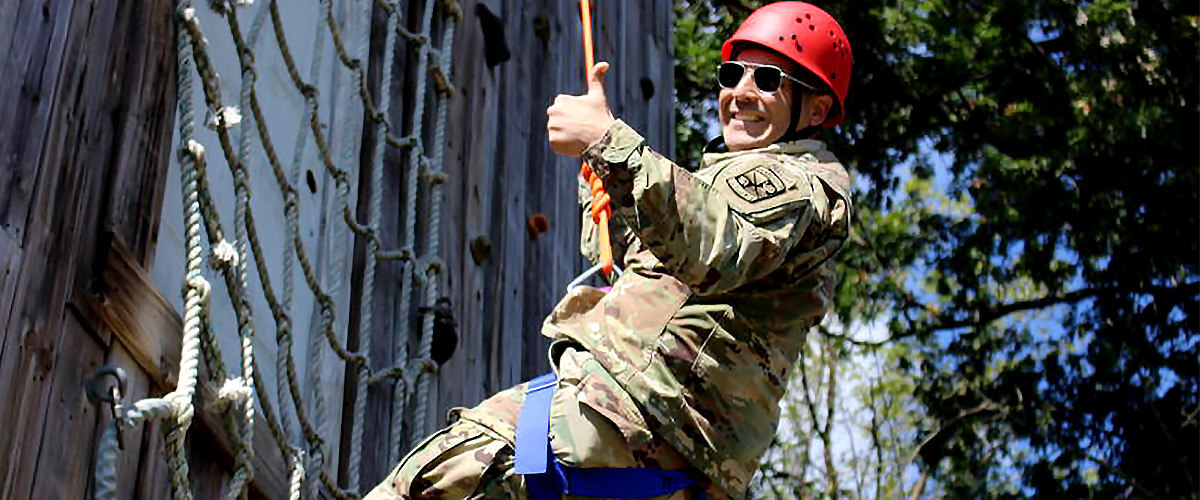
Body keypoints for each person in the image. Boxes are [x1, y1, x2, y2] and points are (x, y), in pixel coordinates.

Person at [365, 2, 853, 499]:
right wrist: (611, 184)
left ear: (815, 109)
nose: (741, 93)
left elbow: (713, 248)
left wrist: (609, 140)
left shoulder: (796, 183)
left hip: (637, 419)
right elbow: (659, 268)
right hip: (647, 439)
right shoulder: (734, 183)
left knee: (431, 482)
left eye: (768, 80)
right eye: (733, 74)